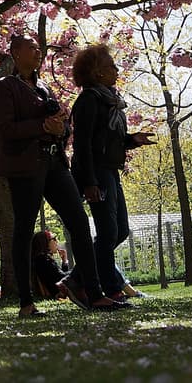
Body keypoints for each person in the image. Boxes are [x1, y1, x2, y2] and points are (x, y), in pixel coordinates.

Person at [0, 34, 126, 317]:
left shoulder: (43, 87)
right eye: (32, 47)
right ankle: (26, 302)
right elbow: (5, 129)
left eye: (39, 48)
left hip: (55, 163)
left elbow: (62, 128)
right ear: (15, 52)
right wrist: (42, 126)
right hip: (26, 166)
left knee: (79, 222)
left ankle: (93, 293)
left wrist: (60, 127)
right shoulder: (5, 87)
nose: (38, 51)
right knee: (25, 229)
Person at [71, 43, 155, 303]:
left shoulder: (109, 101)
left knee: (120, 231)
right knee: (108, 232)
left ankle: (75, 278)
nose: (116, 69)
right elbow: (82, 144)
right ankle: (111, 288)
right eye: (110, 65)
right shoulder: (89, 100)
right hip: (97, 172)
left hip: (110, 170)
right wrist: (90, 182)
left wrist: (132, 140)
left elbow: (109, 140)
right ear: (97, 72)